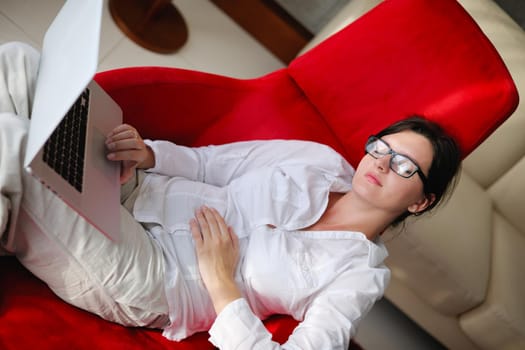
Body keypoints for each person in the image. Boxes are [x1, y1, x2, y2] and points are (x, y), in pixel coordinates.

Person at [0, 42, 461, 349]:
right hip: (137, 189)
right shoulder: (317, 161)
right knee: (20, 63)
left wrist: (224, 287)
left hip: (154, 277)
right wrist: (147, 155)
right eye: (380, 147)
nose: (380, 162)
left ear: (420, 201)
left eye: (403, 165)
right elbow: (211, 164)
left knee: (13, 139)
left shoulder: (357, 278)